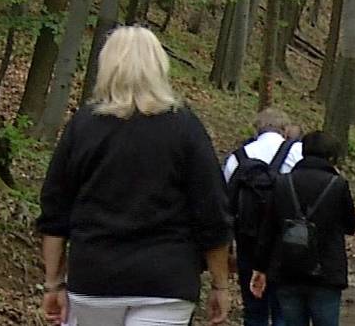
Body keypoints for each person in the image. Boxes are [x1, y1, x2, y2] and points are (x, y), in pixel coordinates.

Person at [37, 26, 234, 325]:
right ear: (159, 67)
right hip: (166, 281)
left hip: (94, 278)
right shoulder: (185, 128)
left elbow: (55, 210)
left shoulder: (83, 127)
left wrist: (54, 282)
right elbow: (212, 211)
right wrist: (220, 284)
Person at [251, 132, 355, 326]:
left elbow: (268, 228)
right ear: (332, 156)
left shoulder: (282, 183)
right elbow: (351, 225)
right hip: (326, 272)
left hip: (288, 269)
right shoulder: (337, 185)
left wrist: (260, 266)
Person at [223, 108, 307, 326]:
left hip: (247, 239)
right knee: (284, 309)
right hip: (286, 240)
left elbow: (225, 201)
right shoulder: (297, 152)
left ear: (256, 128)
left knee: (254, 309)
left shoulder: (237, 157)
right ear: (285, 129)